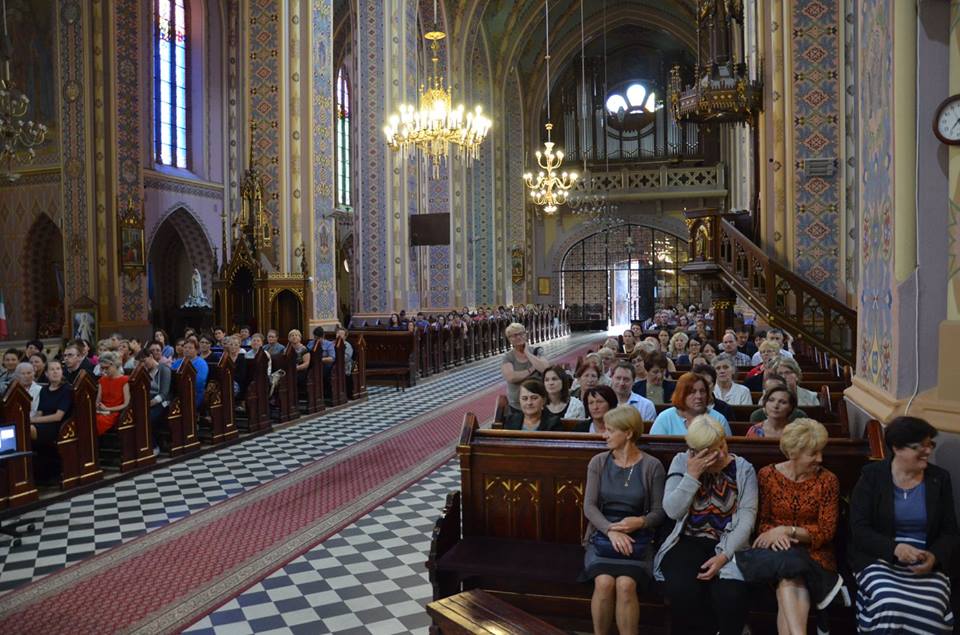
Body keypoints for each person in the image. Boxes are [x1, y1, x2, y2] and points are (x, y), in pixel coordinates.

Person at [850, 416, 958, 633]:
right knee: (889, 602)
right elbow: (859, 529)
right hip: (879, 557)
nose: (928, 451)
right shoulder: (872, 476)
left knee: (931, 608)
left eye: (930, 444)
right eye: (919, 447)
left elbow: (950, 532)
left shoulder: (939, 479)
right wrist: (895, 548)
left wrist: (934, 557)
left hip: (925, 559)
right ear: (897, 448)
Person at [736, 419, 843, 634]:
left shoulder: (828, 481)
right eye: (813, 453)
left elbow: (826, 531)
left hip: (815, 552)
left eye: (821, 451)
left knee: (789, 574)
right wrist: (774, 535)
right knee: (788, 566)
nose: (820, 458)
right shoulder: (767, 475)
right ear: (793, 453)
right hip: (775, 549)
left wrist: (786, 530)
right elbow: (762, 522)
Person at [654, 415, 757, 635]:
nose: (721, 454)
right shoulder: (682, 462)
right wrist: (692, 475)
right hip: (688, 539)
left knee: (731, 594)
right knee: (683, 590)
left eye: (722, 445)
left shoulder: (742, 468)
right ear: (696, 452)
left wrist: (724, 555)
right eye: (712, 451)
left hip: (728, 543)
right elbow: (672, 510)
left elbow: (747, 519)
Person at [582, 406, 666, 635]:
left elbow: (659, 512)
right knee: (604, 583)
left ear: (628, 433)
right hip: (603, 536)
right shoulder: (598, 462)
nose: (604, 435)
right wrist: (610, 530)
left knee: (626, 585)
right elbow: (589, 506)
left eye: (610, 430)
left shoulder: (652, 466)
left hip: (638, 539)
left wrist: (639, 522)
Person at [29, 359, 73, 484]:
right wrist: (31, 420)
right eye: (52, 369)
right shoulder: (44, 390)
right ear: (46, 374)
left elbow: (58, 416)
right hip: (44, 423)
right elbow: (40, 412)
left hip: (59, 426)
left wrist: (33, 420)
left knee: (29, 429)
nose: (55, 372)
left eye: (58, 369)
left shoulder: (66, 389)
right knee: (23, 426)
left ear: (62, 372)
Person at [650, 373, 731, 436]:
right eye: (692, 392)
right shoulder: (665, 418)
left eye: (702, 391)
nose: (699, 396)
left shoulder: (718, 419)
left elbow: (727, 449)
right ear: (682, 394)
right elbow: (654, 448)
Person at [501, 322, 550, 413]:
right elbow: (511, 377)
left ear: (526, 335)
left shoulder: (537, 351)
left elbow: (545, 369)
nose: (519, 337)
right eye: (515, 335)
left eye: (521, 334)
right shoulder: (508, 357)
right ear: (509, 339)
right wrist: (532, 369)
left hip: (539, 403)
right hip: (517, 406)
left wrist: (527, 353)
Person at [139, 349, 171, 453]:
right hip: (147, 401)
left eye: (144, 361)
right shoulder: (145, 371)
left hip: (162, 402)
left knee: (147, 419)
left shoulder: (164, 369)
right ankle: (143, 446)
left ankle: (154, 446)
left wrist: (151, 403)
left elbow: (164, 393)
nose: (143, 364)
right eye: (141, 362)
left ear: (151, 356)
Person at [95, 351, 130, 435]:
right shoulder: (102, 380)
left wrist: (108, 409)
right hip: (101, 411)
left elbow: (126, 404)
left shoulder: (124, 380)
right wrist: (98, 405)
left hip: (115, 413)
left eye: (106, 368)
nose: (104, 371)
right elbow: (98, 400)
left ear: (114, 365)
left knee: (98, 421)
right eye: (102, 368)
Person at [172, 339, 208, 409]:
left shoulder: (201, 363)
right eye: (185, 347)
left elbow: (199, 382)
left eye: (190, 348)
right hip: (177, 393)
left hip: (195, 394)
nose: (187, 350)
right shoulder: (178, 362)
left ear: (196, 350)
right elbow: (171, 375)